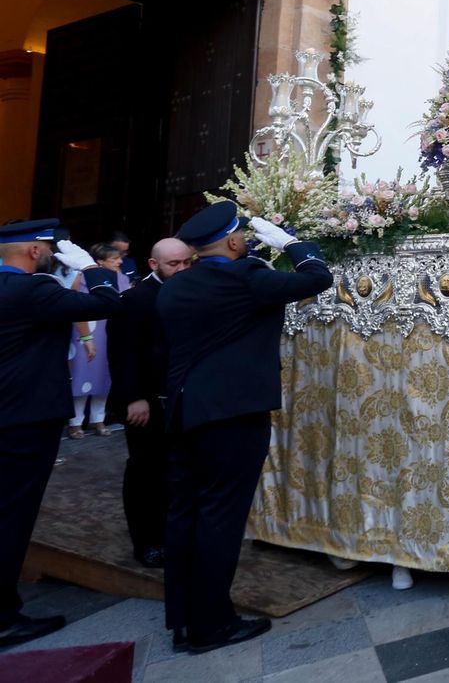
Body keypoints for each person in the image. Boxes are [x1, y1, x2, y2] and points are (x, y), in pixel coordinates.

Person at [159, 202, 332, 654]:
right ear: (235, 241)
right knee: (220, 518)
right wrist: (294, 244)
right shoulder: (245, 277)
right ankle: (211, 625)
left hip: (184, 412)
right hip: (232, 416)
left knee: (185, 515)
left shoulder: (175, 287)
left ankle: (181, 618)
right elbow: (317, 278)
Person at [0, 221, 122, 647]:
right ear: (35, 251)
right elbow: (108, 303)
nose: (55, 254)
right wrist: (92, 269)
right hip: (25, 419)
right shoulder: (33, 290)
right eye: (52, 248)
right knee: (12, 515)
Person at [106, 237, 192, 567]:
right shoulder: (135, 299)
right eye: (174, 264)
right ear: (154, 265)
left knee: (179, 471)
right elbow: (123, 354)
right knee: (146, 473)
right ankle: (147, 542)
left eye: (187, 262)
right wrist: (134, 398)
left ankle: (175, 535)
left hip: (183, 399)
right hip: (146, 403)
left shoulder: (191, 291)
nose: (182, 269)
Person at [65, 242, 130, 438]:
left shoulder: (123, 279)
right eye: (114, 259)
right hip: (86, 332)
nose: (119, 261)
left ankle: (97, 420)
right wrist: (86, 336)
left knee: (105, 376)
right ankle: (75, 422)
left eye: (120, 258)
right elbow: (74, 305)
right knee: (82, 375)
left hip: (111, 332)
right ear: (99, 262)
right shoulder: (82, 278)